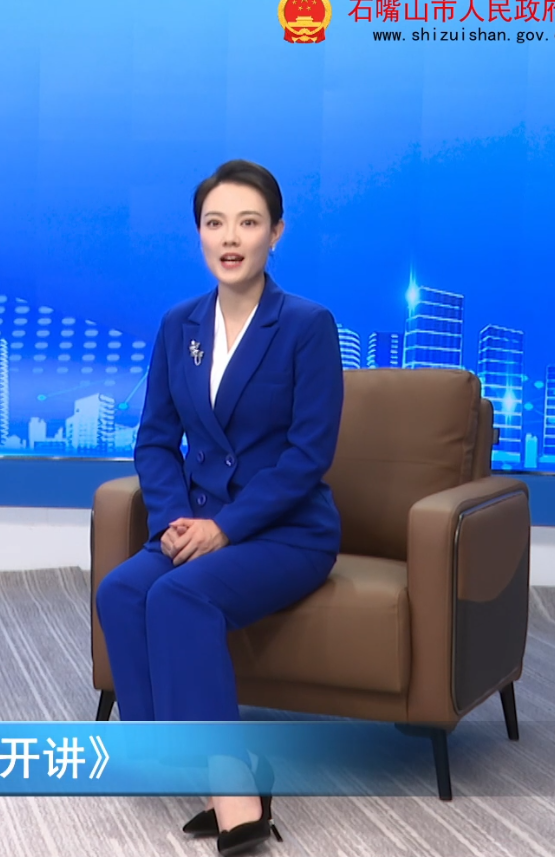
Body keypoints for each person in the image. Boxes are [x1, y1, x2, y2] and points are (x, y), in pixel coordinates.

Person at [94, 160, 342, 854]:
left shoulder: (307, 326)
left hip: (285, 531)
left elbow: (309, 456)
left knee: (179, 597)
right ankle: (183, 763)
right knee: (121, 591)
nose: (230, 238)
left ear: (276, 233)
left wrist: (225, 527)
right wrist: (176, 520)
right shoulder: (179, 325)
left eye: (248, 222)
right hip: (193, 521)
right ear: (199, 233)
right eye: (215, 223)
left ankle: (234, 788)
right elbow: (154, 440)